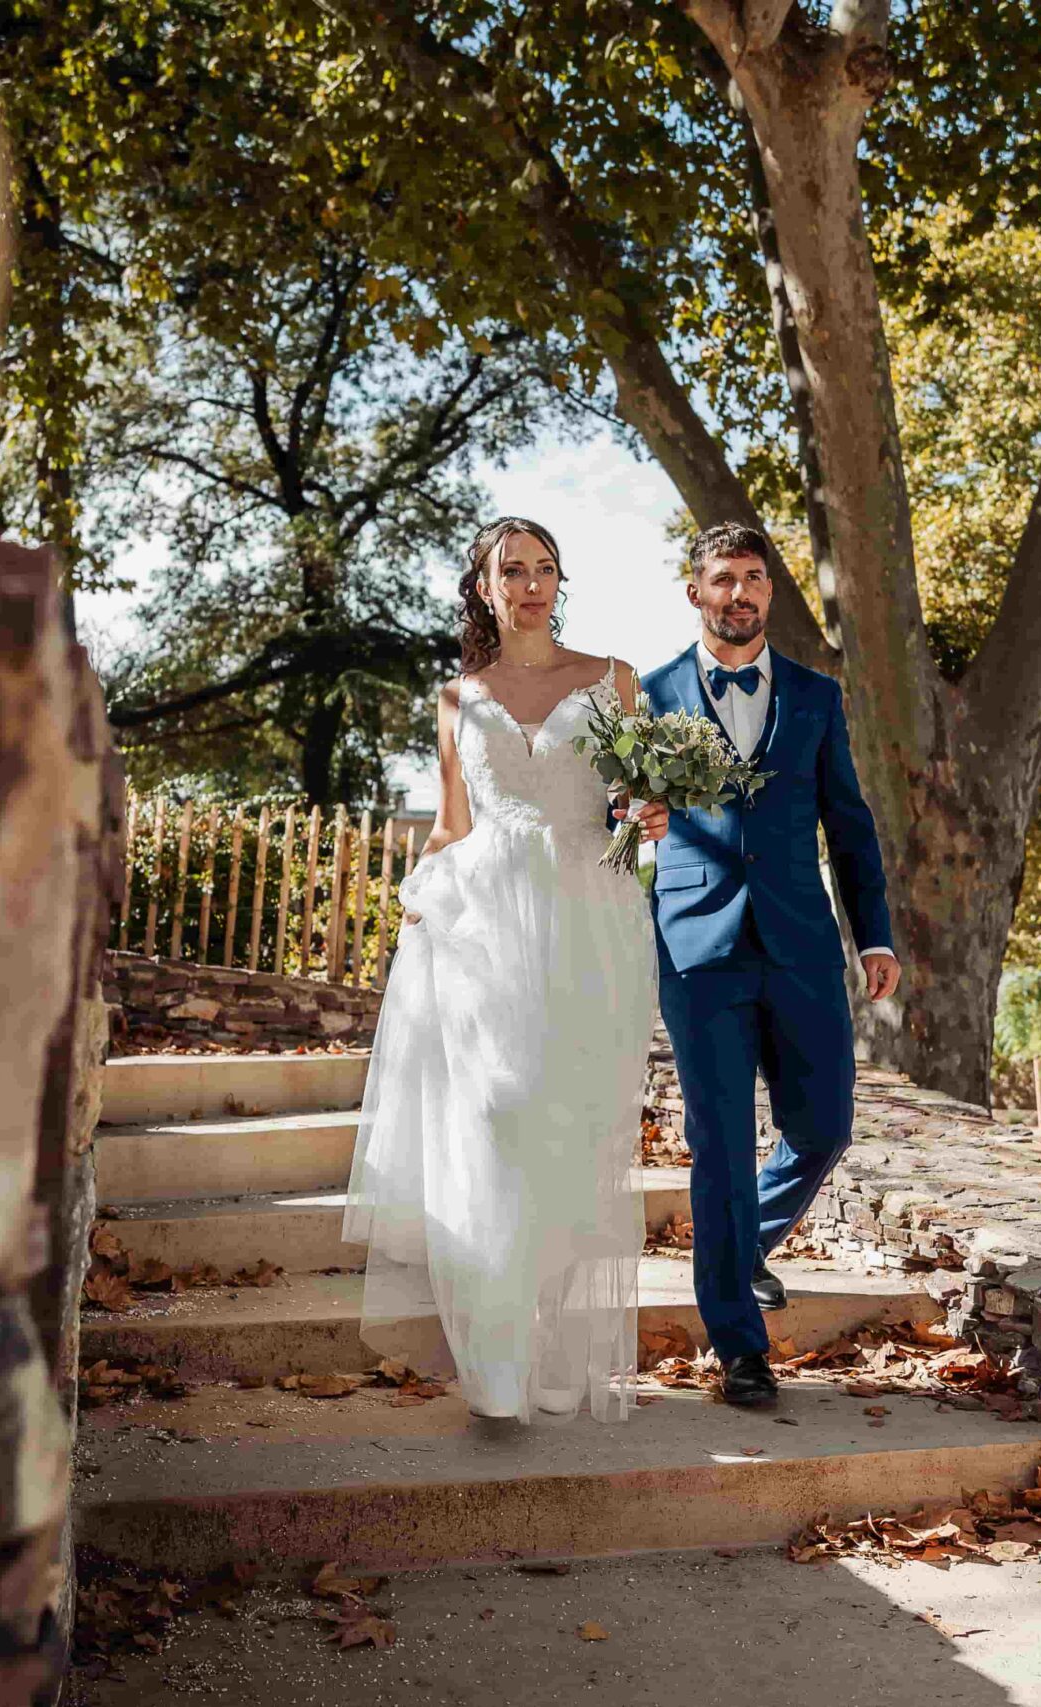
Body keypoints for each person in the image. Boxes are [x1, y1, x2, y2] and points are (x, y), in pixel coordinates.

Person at [341, 518, 667, 1424]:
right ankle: (494, 1356)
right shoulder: (456, 699)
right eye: (511, 570)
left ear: (562, 580)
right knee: (496, 1115)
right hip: (482, 922)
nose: (530, 584)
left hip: (585, 920)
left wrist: (650, 814)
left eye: (544, 568)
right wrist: (418, 894)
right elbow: (454, 823)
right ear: (483, 588)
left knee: (576, 1129)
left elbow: (630, 800)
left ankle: (562, 1352)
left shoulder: (612, 682)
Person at [639, 523, 898, 1408]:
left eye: (754, 578)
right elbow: (606, 808)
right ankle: (739, 1346)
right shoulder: (646, 694)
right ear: (696, 592)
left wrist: (875, 934)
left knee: (823, 1124)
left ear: (768, 593)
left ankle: (741, 1244)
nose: (739, 592)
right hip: (697, 947)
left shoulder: (819, 697)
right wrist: (626, 814)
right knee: (718, 1142)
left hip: (800, 943)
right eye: (723, 579)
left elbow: (849, 823)